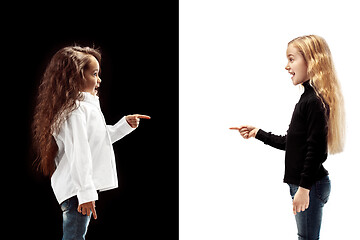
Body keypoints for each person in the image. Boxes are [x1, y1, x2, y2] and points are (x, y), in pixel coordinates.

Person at [230, 35, 345, 240]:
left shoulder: (314, 101)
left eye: (291, 59)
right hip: (307, 184)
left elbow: (316, 150)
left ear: (312, 60)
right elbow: (292, 144)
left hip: (309, 184)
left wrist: (304, 189)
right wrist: (258, 133)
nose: (286, 66)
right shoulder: (308, 98)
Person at [32, 46, 150, 239]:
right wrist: (85, 194)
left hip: (77, 190)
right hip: (76, 192)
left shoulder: (83, 108)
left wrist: (124, 125)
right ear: (75, 77)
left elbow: (97, 141)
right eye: (94, 74)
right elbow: (79, 153)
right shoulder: (75, 111)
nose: (99, 80)